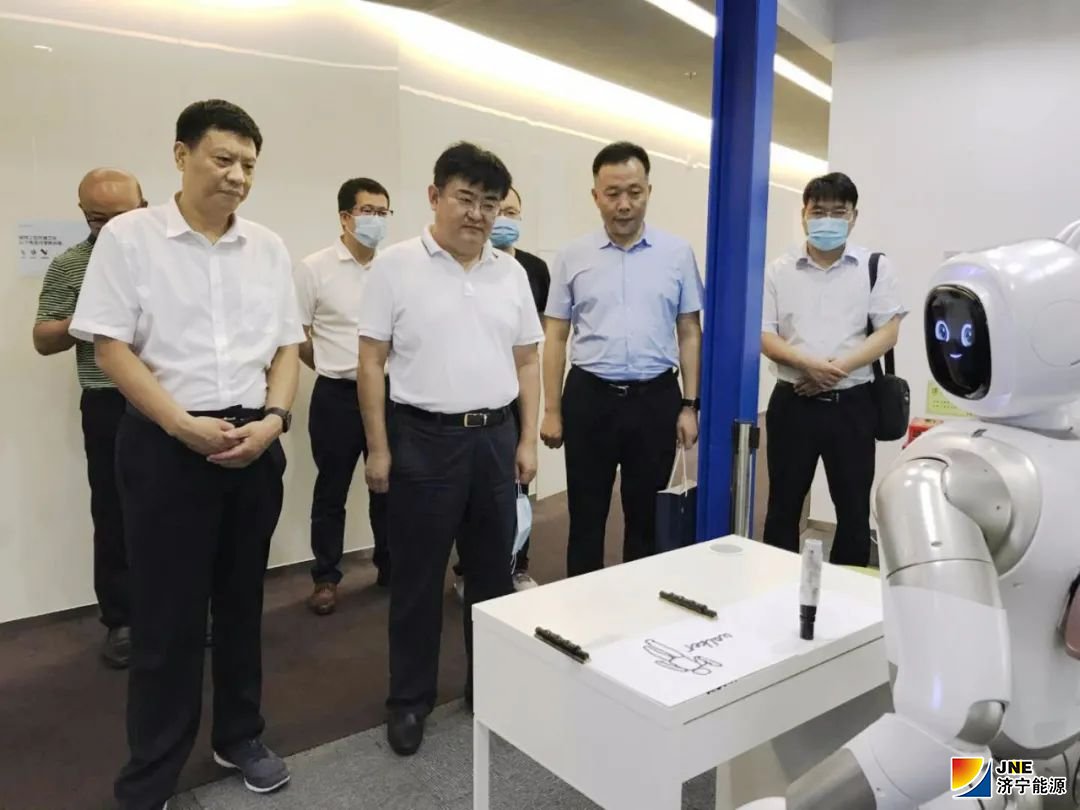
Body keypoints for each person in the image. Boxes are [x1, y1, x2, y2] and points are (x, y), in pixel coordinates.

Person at [69, 99, 301, 809]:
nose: (237, 176)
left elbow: (286, 347)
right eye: (223, 159)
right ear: (181, 155)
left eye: (249, 165)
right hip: (166, 445)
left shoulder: (267, 246)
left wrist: (274, 420)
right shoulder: (131, 237)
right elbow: (110, 347)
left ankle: (240, 735)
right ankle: (153, 772)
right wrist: (180, 425)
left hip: (252, 441)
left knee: (242, 602)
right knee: (166, 617)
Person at [356, 142, 543, 757]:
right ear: (435, 196)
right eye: (466, 198)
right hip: (422, 440)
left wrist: (526, 439)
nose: (478, 214)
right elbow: (371, 361)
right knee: (417, 579)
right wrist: (378, 448)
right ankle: (409, 701)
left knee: (492, 575)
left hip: (494, 438)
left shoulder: (511, 273)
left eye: (490, 203)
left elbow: (527, 361)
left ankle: (487, 690)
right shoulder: (395, 267)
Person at [541, 141, 704, 578]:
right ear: (595, 196)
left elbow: (689, 330)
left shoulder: (677, 253)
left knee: (646, 517)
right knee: (585, 515)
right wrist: (552, 409)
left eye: (634, 192)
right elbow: (556, 335)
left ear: (649, 191)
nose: (624, 204)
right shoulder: (572, 256)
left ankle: (639, 603)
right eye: (612, 194)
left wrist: (690, 405)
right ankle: (581, 603)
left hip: (655, 398)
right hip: (589, 397)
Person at [759, 171, 905, 566]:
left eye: (838, 212)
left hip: (853, 406)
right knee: (783, 506)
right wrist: (807, 365)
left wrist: (833, 371)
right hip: (793, 403)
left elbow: (888, 333)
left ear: (854, 217)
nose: (828, 220)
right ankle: (774, 586)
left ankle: (847, 594)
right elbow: (764, 335)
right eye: (818, 211)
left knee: (853, 509)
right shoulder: (778, 270)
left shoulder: (874, 267)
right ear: (803, 214)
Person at [33, 168, 146, 669]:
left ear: (145, 206)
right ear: (83, 214)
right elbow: (43, 338)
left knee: (183, 506)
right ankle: (122, 619)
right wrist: (88, 316)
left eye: (123, 216)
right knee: (114, 511)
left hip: (175, 396)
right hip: (108, 401)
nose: (112, 228)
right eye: (99, 219)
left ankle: (185, 608)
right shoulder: (70, 264)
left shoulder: (169, 258)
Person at [296, 177, 393, 616]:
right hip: (336, 395)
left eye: (383, 212)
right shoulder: (314, 268)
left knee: (389, 486)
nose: (376, 220)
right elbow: (296, 334)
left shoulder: (394, 268)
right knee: (331, 490)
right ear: (345, 217)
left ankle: (390, 566)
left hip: (390, 394)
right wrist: (328, 364)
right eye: (368, 211)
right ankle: (326, 577)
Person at [452, 185, 549, 599]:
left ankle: (517, 565)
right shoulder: (460, 268)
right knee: (468, 496)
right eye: (498, 209)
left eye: (512, 211)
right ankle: (466, 568)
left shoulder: (532, 270)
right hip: (472, 398)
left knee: (516, 486)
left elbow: (533, 344)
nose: (503, 218)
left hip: (514, 396)